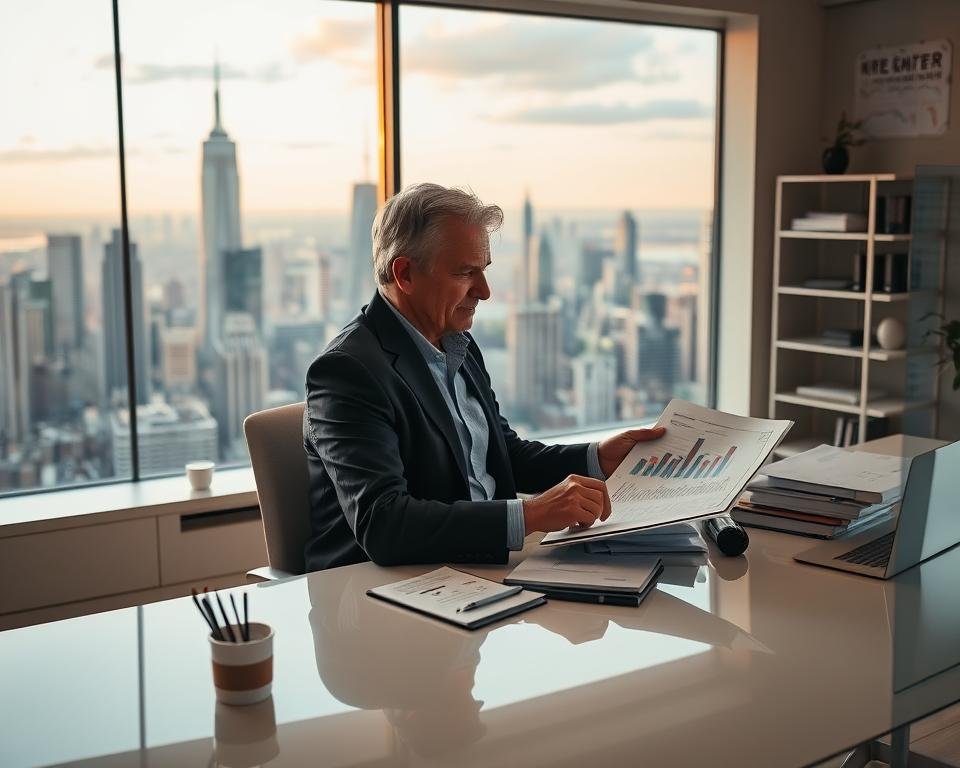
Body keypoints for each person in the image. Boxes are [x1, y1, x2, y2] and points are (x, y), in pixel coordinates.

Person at [303, 183, 664, 570]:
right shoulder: (347, 372)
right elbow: (384, 524)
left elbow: (501, 455)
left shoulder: (457, 343)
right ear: (404, 273)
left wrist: (597, 458)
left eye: (485, 270)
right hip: (383, 591)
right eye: (466, 273)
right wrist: (531, 515)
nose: (486, 291)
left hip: (481, 571)